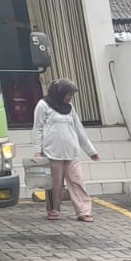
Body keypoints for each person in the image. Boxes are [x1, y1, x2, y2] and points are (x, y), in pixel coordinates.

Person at [33, 79, 99, 223]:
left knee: (77, 181)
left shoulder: (69, 108)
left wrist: (91, 151)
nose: (70, 98)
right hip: (52, 152)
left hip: (71, 152)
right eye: (69, 94)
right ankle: (54, 210)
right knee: (54, 184)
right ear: (60, 93)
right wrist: (37, 150)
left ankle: (83, 211)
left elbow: (79, 129)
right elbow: (37, 128)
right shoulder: (43, 105)